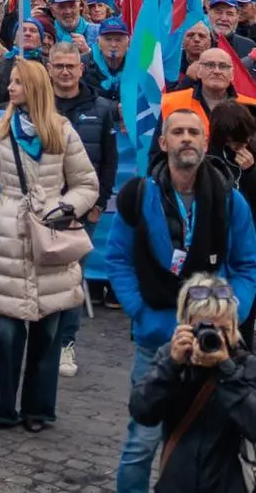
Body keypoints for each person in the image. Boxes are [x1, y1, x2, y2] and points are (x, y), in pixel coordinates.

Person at [106, 106, 256, 493]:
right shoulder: (137, 195)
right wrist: (139, 311)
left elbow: (245, 265)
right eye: (178, 132)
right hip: (156, 338)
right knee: (140, 444)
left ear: (206, 143)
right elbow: (118, 259)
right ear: (163, 142)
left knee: (218, 441)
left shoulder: (229, 198)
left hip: (216, 341)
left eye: (194, 132)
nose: (186, 138)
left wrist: (229, 315)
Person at [0, 58, 98, 433]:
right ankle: (4, 409)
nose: (10, 88)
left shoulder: (62, 132)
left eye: (17, 82)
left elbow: (86, 183)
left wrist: (64, 208)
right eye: (9, 82)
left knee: (48, 335)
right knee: (7, 336)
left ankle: (38, 410)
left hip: (52, 245)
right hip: (11, 245)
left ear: (34, 87)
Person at [127, 273, 256, 493]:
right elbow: (142, 411)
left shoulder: (246, 366)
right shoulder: (172, 358)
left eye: (222, 329)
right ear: (185, 325)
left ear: (234, 326)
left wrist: (227, 370)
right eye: (204, 328)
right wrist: (171, 366)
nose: (212, 337)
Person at [46, 40, 116, 380]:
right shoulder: (35, 105)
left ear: (79, 68)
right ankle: (41, 339)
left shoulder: (102, 108)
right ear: (49, 68)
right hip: (42, 209)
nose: (64, 71)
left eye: (70, 66)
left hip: (81, 212)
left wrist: (99, 205)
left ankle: (65, 343)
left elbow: (110, 161)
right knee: (41, 277)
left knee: (72, 279)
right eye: (58, 65)